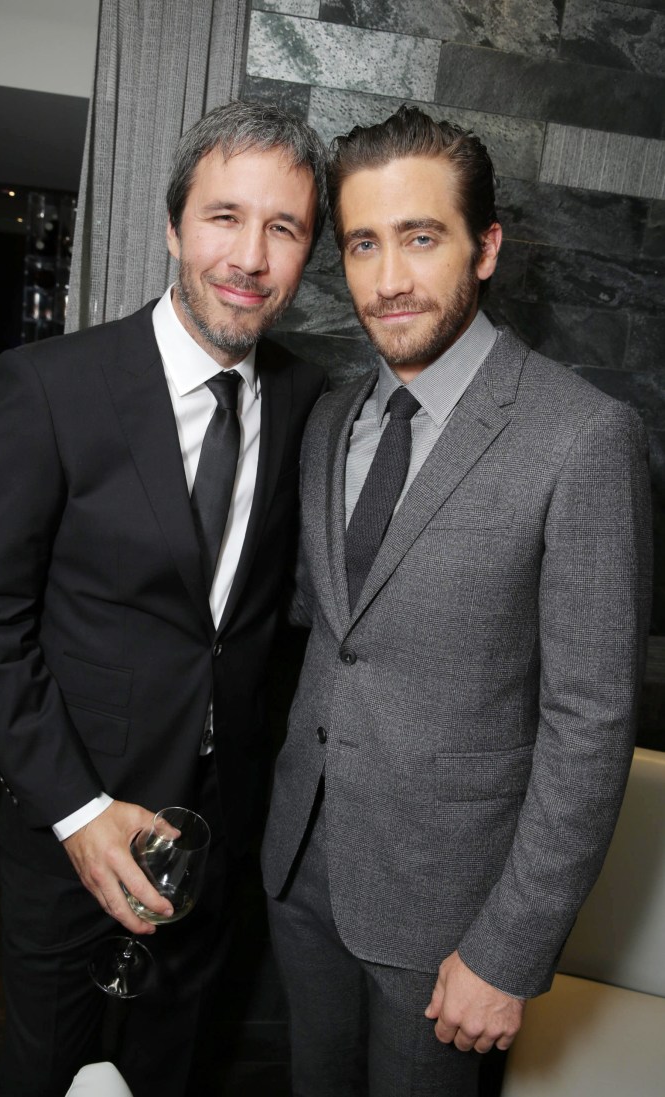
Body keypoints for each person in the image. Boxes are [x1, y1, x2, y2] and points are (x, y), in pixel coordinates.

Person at [261, 105, 652, 1097]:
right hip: (301, 869)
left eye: (420, 236)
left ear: (484, 248)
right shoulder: (331, 420)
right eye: (361, 243)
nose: (387, 278)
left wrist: (509, 947)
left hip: (451, 921)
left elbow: (590, 718)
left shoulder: (582, 438)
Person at [0, 100, 327, 1097]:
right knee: (48, 1067)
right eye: (222, 216)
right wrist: (75, 810)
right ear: (171, 226)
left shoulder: (305, 401)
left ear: (306, 253)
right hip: (75, 819)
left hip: (211, 833)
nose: (248, 255)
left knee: (167, 1067)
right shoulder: (52, 384)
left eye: (282, 227)